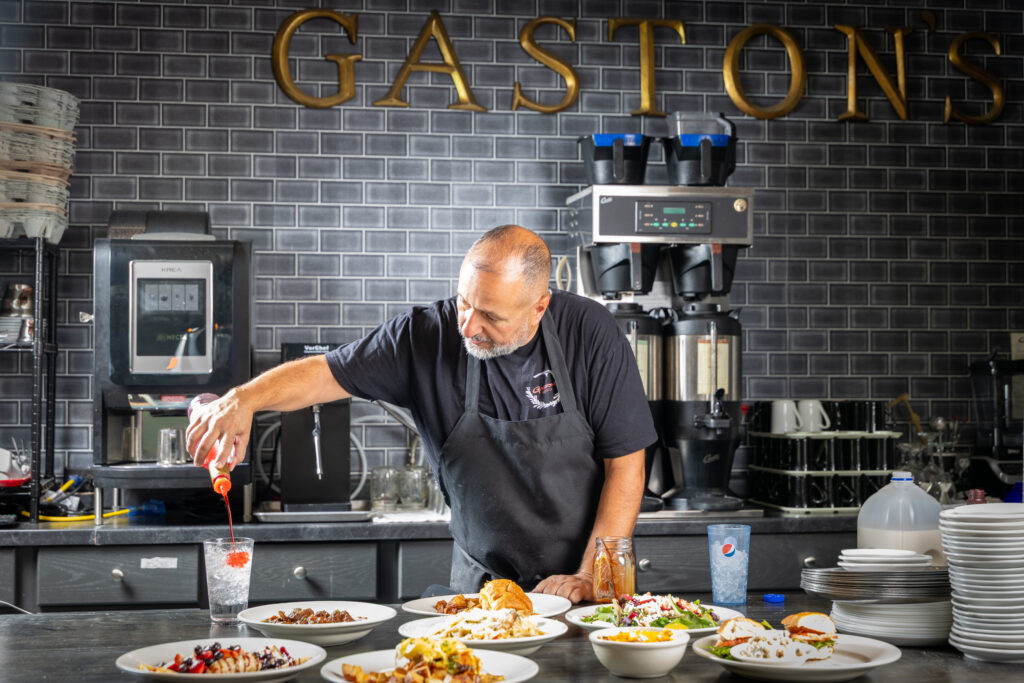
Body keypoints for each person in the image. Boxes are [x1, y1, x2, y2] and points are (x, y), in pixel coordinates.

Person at [186, 225, 656, 603]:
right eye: (464, 303)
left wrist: (591, 575)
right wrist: (242, 399)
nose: (470, 326)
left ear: (539, 308)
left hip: (582, 586)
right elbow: (323, 373)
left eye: (491, 316)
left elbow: (626, 463)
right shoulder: (423, 337)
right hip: (482, 597)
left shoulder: (589, 333)